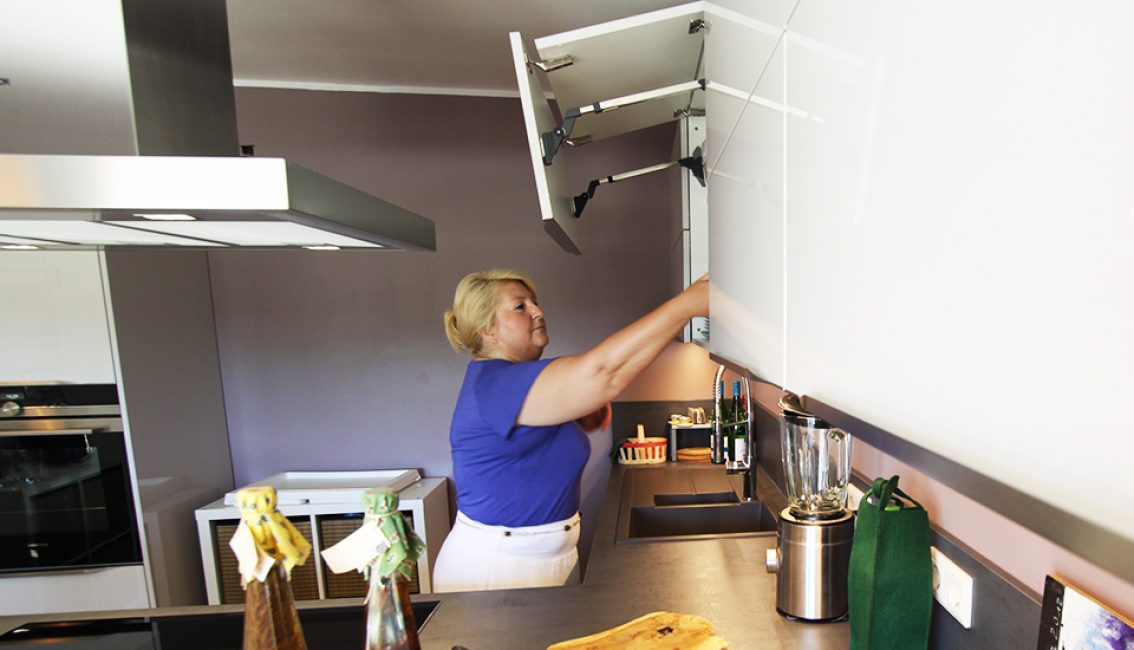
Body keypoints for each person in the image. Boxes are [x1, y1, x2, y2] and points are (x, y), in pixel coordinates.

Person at [432, 268, 709, 592]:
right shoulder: (495, 383)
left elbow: (603, 379)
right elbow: (603, 374)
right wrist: (685, 306)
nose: (538, 311)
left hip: (548, 558)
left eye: (534, 302)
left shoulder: (520, 382)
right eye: (520, 307)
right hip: (496, 570)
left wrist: (577, 413)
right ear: (488, 331)